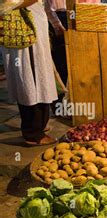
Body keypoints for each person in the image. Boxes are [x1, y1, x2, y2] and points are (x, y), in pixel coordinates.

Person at [1, 0, 58, 145]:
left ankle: (39, 125)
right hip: (22, 29)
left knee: (38, 75)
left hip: (28, 25)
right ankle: (33, 133)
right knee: (30, 77)